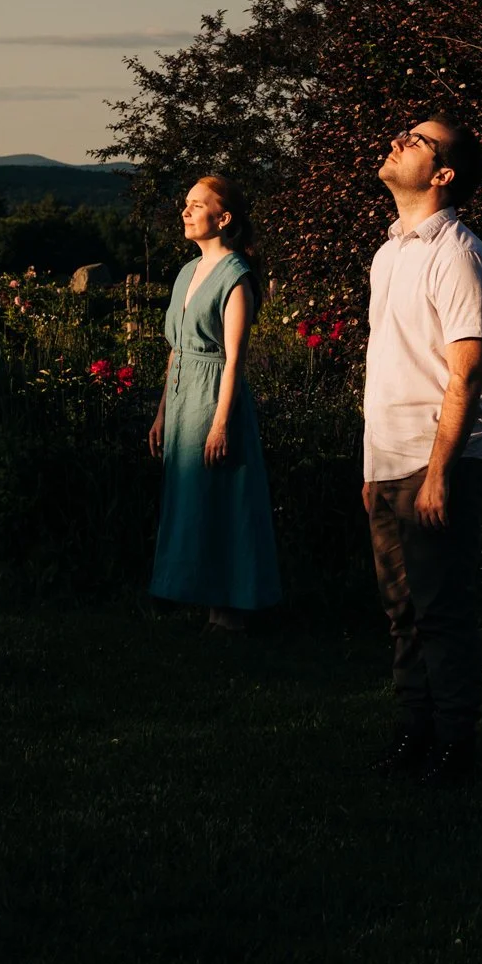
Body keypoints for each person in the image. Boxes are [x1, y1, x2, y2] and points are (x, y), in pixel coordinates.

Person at [363, 115, 482, 787]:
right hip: (390, 463)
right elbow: (386, 365)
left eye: (416, 140)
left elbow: (466, 371)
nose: (398, 140)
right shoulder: (391, 251)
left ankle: (455, 747)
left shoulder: (459, 254)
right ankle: (412, 736)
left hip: (439, 462)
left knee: (441, 613)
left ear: (443, 174)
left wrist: (439, 474)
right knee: (402, 613)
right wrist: (372, 469)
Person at [149, 175, 281, 630]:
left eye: (196, 205)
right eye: (185, 203)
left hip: (213, 396)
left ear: (223, 219)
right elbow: (176, 347)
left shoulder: (237, 277)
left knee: (221, 495)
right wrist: (163, 412)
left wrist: (222, 423)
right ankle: (194, 593)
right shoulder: (187, 272)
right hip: (183, 396)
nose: (185, 212)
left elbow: (234, 360)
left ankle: (229, 608)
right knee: (189, 497)